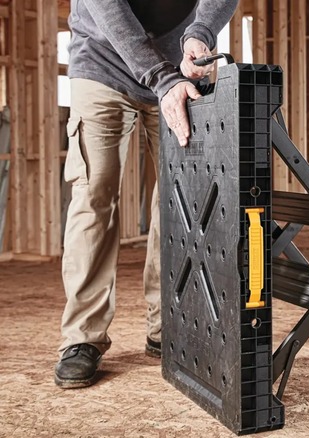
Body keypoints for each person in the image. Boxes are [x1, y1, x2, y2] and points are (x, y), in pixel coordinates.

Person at [55, 0, 238, 389]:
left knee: (181, 200)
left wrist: (201, 32)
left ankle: (168, 324)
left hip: (180, 66)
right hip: (102, 60)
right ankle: (82, 337)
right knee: (94, 194)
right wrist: (159, 76)